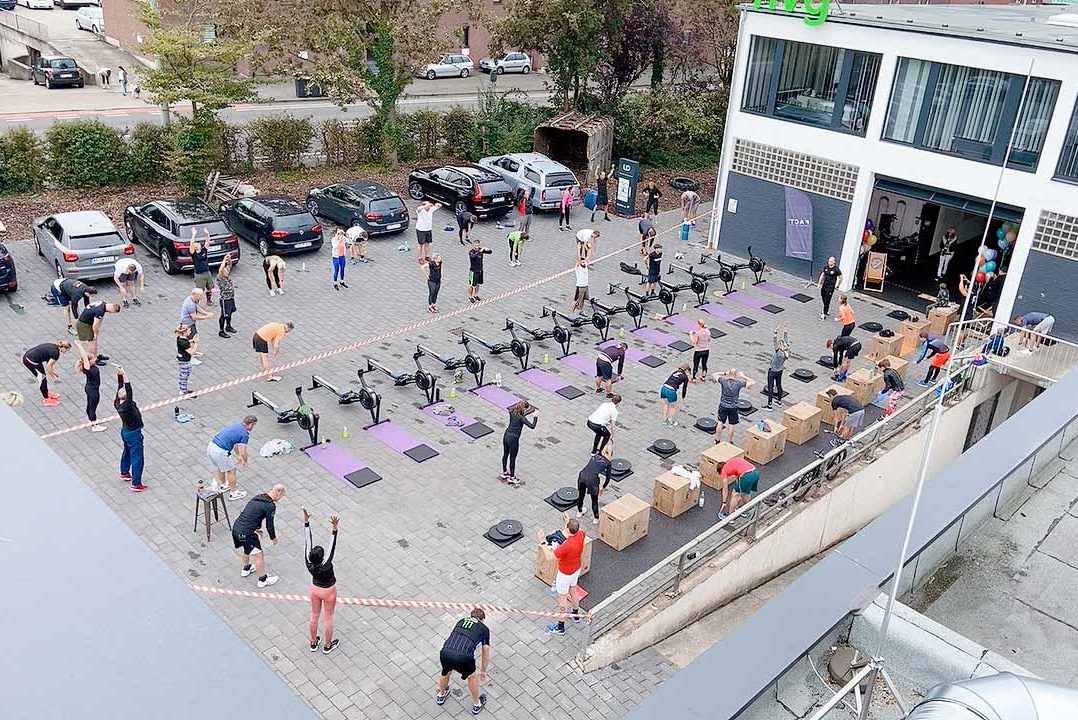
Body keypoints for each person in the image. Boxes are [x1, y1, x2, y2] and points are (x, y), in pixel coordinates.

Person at [436, 608, 490, 715]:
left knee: (445, 672)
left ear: (470, 616)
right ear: (482, 620)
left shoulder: (461, 621)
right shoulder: (484, 629)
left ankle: (441, 695)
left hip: (446, 652)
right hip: (464, 657)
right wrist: (483, 671)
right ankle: (477, 704)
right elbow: (485, 653)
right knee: (471, 677)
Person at [231, 484, 286, 588]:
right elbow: (270, 525)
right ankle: (263, 580)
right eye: (281, 496)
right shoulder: (270, 506)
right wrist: (273, 538)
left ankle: (246, 569)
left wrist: (257, 529)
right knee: (258, 554)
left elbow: (252, 514)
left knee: (246, 548)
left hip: (237, 528)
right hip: (247, 533)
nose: (280, 499)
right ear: (279, 492)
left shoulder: (257, 497)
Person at [540, 515, 586, 636]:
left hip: (565, 574)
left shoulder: (566, 546)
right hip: (576, 569)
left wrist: (542, 541)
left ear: (567, 529)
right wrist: (568, 521)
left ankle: (560, 627)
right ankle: (576, 615)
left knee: (562, 599)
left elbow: (550, 557)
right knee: (573, 590)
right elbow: (574, 529)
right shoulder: (581, 535)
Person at [303, 508, 340, 654]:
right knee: (329, 617)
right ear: (322, 556)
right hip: (328, 590)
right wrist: (335, 528)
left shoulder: (308, 562)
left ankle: (313, 642)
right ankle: (327, 645)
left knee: (314, 615)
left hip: (315, 589)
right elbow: (333, 545)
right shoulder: (326, 563)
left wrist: (306, 522)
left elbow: (307, 541)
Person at [207, 416, 257, 501]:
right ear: (251, 424)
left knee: (221, 467)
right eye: (254, 425)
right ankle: (233, 493)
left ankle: (224, 485)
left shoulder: (237, 426)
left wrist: (237, 456)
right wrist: (245, 461)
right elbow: (243, 451)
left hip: (212, 447)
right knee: (231, 470)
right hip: (220, 451)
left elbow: (234, 443)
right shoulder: (244, 434)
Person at [114, 366, 147, 492]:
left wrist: (119, 375)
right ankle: (136, 483)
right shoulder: (127, 406)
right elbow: (128, 388)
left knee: (126, 451)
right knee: (137, 457)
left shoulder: (117, 403)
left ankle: (124, 472)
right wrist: (125, 375)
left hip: (125, 431)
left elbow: (120, 387)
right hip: (134, 434)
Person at [22, 341, 71, 406]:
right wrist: (53, 377)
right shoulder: (56, 354)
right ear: (63, 348)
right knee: (42, 378)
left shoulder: (53, 346)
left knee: (43, 376)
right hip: (30, 361)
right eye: (67, 350)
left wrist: (53, 372)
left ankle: (46, 392)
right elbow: (48, 367)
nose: (66, 352)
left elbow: (49, 362)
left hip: (31, 357)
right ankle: (46, 399)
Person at [714, 368, 755, 444]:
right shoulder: (738, 383)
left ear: (729, 374)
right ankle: (729, 441)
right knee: (731, 424)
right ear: (736, 375)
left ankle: (717, 440)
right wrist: (743, 376)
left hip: (723, 405)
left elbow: (714, 374)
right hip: (733, 407)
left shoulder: (723, 381)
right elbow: (752, 382)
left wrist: (724, 373)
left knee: (720, 422)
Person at [501, 400, 537, 486]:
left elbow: (514, 410)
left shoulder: (512, 412)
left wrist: (527, 409)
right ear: (523, 409)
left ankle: (505, 472)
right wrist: (535, 416)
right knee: (512, 458)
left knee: (505, 454)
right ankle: (512, 477)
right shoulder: (522, 418)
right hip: (513, 439)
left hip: (506, 435)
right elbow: (532, 426)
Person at [576, 445, 613, 524]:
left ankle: (579, 511)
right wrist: (603, 487)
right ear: (611, 454)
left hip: (582, 475)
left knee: (581, 495)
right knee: (594, 500)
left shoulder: (595, 456)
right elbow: (608, 478)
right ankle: (596, 518)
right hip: (592, 480)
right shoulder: (608, 463)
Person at [75, 349, 105, 431]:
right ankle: (94, 425)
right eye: (93, 359)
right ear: (88, 362)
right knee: (93, 407)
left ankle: (91, 419)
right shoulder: (88, 369)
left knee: (90, 405)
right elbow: (85, 358)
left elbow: (85, 358)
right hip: (93, 390)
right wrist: (79, 346)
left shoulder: (90, 368)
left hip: (90, 388)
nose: (95, 359)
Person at [178, 289, 211, 362]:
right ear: (195, 294)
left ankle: (193, 351)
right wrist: (206, 317)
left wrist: (205, 313)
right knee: (191, 339)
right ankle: (190, 356)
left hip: (191, 323)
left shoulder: (192, 300)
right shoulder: (190, 304)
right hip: (187, 324)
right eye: (200, 295)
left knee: (194, 336)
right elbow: (194, 317)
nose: (202, 297)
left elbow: (196, 307)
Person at [765, 324, 790, 409]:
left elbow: (774, 341)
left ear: (781, 347)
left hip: (772, 371)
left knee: (770, 387)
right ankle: (779, 401)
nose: (779, 345)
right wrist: (785, 331)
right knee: (779, 385)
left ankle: (769, 405)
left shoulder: (778, 352)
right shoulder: (786, 353)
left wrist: (775, 332)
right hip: (780, 371)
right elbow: (786, 342)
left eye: (780, 344)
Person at [189, 230, 216, 304]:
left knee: (210, 288)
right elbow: (191, 244)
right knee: (199, 290)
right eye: (196, 244)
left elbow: (207, 241)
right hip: (199, 274)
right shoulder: (194, 254)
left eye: (198, 243)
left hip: (207, 272)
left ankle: (209, 300)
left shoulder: (204, 251)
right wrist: (193, 235)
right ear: (195, 247)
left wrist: (207, 233)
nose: (197, 244)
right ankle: (196, 301)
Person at [216, 254, 237, 338]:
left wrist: (229, 259)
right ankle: (221, 331)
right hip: (225, 300)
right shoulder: (220, 278)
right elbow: (221, 269)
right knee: (224, 315)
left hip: (231, 298)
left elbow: (229, 266)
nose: (227, 271)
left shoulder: (227, 277)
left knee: (230, 312)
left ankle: (228, 326)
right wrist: (224, 260)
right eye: (226, 270)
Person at [817, 256, 842, 320]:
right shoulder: (826, 268)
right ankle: (826, 309)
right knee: (823, 297)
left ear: (834, 262)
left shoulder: (836, 269)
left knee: (827, 300)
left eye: (831, 261)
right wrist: (819, 283)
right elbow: (822, 275)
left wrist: (838, 285)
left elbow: (841, 278)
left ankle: (824, 314)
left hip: (830, 288)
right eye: (828, 261)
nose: (829, 262)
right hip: (824, 286)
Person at [175, 324, 198, 395]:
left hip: (182, 359)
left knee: (184, 374)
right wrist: (196, 343)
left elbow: (187, 344)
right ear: (184, 332)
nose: (190, 331)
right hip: (184, 361)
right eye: (189, 330)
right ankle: (183, 391)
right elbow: (191, 352)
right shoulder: (184, 342)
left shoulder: (180, 338)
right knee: (184, 376)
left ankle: (183, 388)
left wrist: (192, 341)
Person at [467, 239, 492, 303]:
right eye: (475, 245)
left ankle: (475, 295)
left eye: (477, 245)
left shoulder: (481, 250)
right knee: (472, 285)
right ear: (473, 245)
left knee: (478, 284)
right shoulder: (471, 252)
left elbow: (490, 252)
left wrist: (487, 249)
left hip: (480, 270)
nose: (476, 246)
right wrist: (481, 250)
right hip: (473, 271)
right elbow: (473, 257)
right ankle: (470, 296)